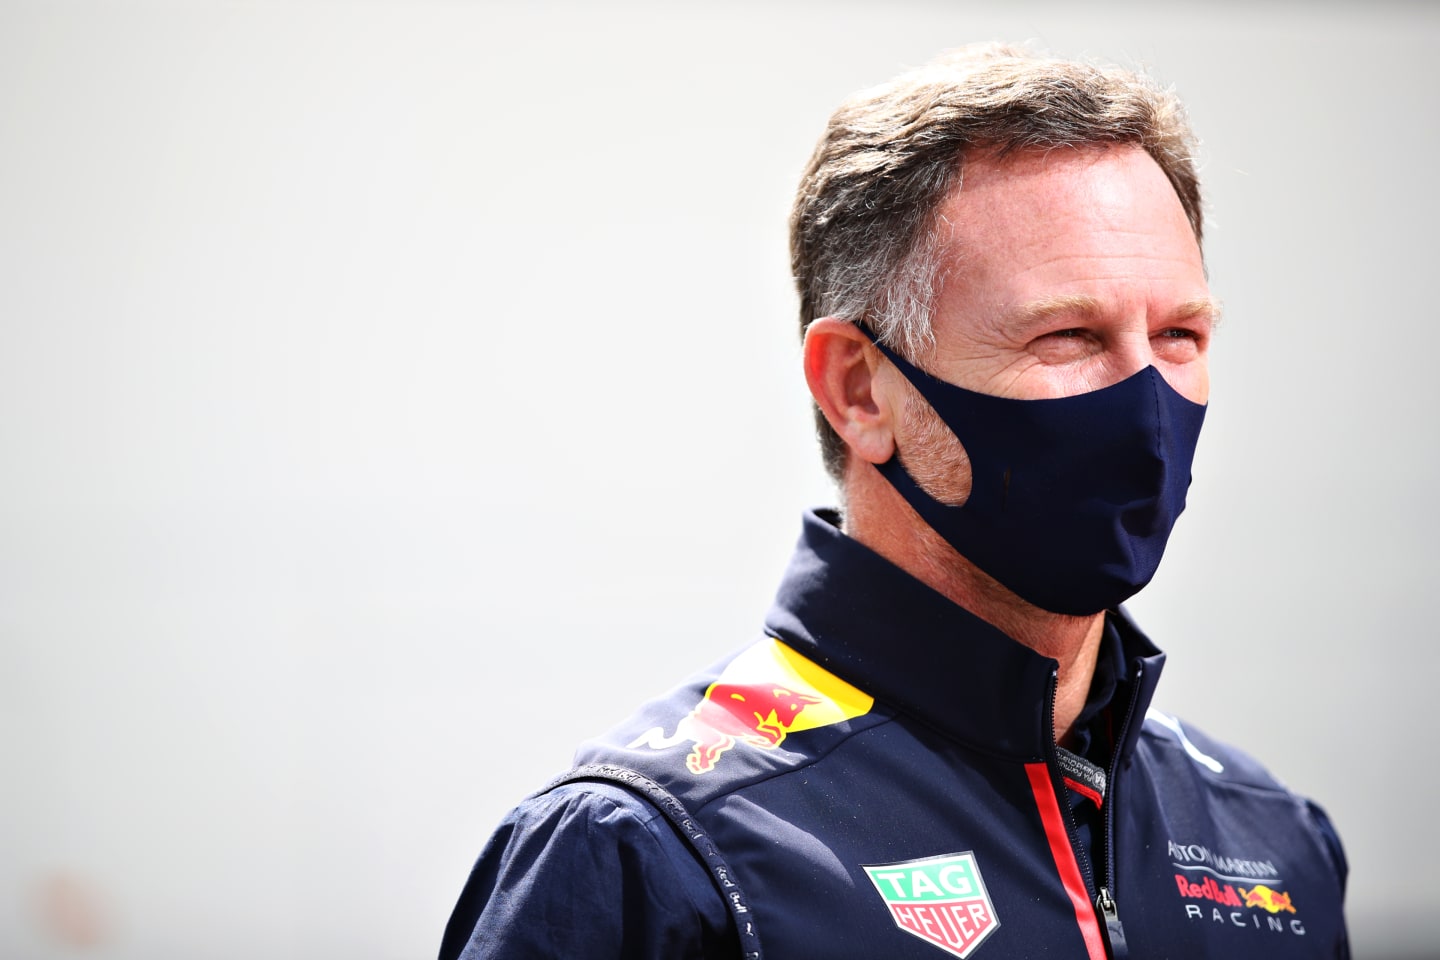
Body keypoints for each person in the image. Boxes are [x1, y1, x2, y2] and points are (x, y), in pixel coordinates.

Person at [439, 44, 1349, 959]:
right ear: (861, 389)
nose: (1145, 399)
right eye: (1068, 335)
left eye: (1179, 334)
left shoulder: (1272, 845)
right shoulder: (653, 853)